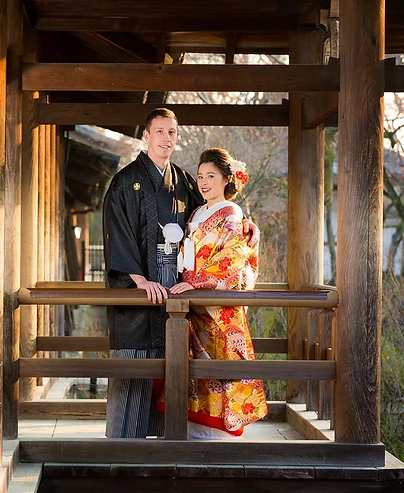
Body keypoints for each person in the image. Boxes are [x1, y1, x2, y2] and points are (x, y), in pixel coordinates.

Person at [102, 109, 258, 438]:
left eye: (171, 132)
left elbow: (212, 213)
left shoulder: (184, 181)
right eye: (159, 132)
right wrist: (139, 279)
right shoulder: (124, 183)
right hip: (141, 293)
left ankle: (166, 442)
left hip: (174, 292)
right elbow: (117, 233)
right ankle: (123, 450)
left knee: (171, 372)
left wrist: (246, 225)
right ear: (146, 136)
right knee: (135, 370)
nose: (166, 138)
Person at [170, 147, 268, 439]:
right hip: (191, 298)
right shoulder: (199, 211)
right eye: (200, 176)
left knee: (220, 364)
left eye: (211, 176)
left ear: (226, 179)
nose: (203, 182)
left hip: (214, 301)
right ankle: (194, 427)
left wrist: (198, 282)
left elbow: (232, 257)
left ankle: (220, 432)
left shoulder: (232, 213)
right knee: (194, 367)